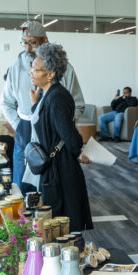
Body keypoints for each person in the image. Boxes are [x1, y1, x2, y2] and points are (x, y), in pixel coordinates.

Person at [1, 21, 85, 193]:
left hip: (55, 137)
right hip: (24, 130)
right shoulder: (15, 67)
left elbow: (78, 105)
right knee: (22, 187)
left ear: (45, 41)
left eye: (32, 42)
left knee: (50, 189)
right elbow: (6, 103)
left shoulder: (65, 69)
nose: (27, 48)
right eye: (24, 42)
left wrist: (59, 125)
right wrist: (19, 126)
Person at [27, 43, 93, 232]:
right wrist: (35, 104)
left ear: (50, 74)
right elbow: (47, 123)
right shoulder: (49, 95)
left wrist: (78, 151)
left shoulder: (58, 97)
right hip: (55, 165)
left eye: (36, 69)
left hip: (61, 168)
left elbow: (70, 136)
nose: (31, 72)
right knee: (57, 219)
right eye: (32, 68)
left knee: (64, 221)